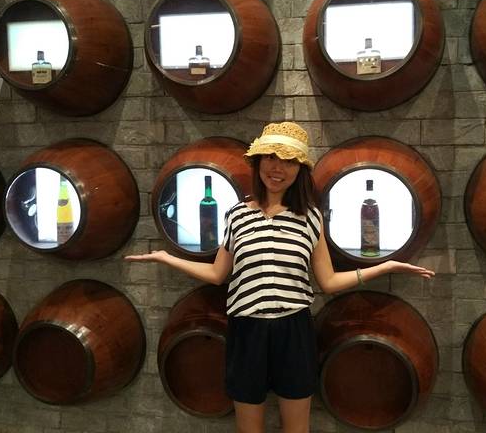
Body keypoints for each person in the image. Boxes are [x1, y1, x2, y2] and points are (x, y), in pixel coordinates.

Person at [125, 121, 435, 433]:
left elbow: (328, 282)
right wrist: (167, 258)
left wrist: (385, 267)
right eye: (271, 157)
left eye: (288, 161)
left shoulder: (310, 217)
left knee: (296, 428)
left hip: (294, 330)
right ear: (258, 162)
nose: (277, 168)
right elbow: (218, 274)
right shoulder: (237, 215)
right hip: (246, 330)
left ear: (300, 170)